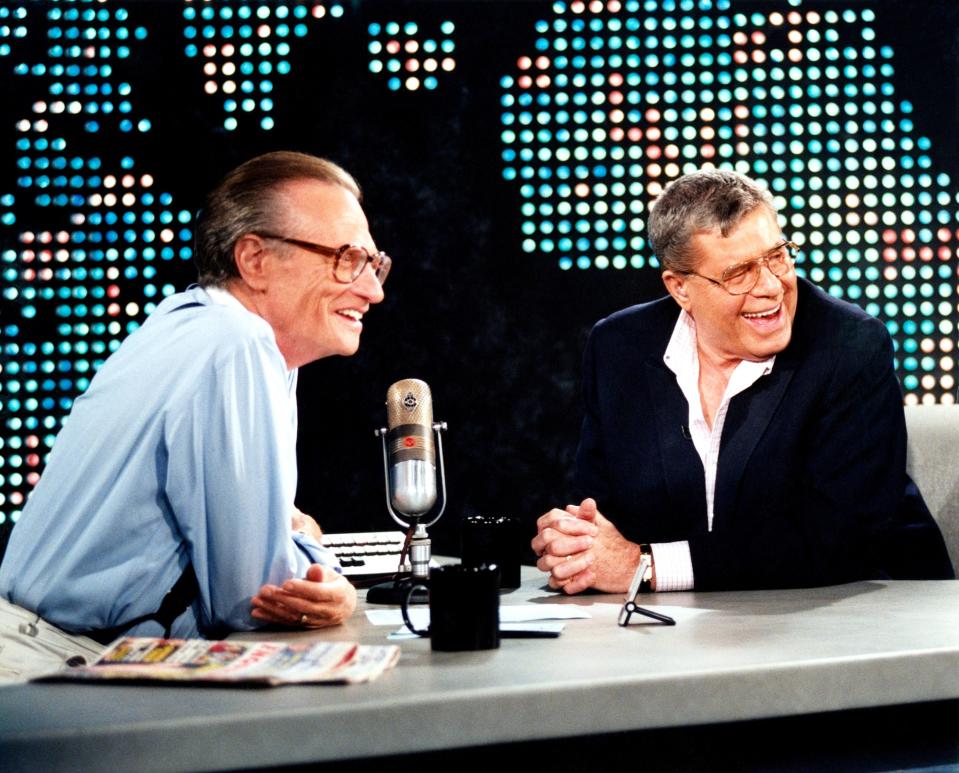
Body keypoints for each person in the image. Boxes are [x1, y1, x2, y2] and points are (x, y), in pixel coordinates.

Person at [0, 151, 390, 681]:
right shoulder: (238, 343)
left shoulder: (197, 325)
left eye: (374, 263)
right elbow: (256, 597)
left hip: (49, 652)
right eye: (347, 259)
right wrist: (322, 564)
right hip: (50, 673)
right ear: (254, 259)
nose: (373, 289)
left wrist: (291, 539)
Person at [532, 169, 954, 595]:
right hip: (690, 623)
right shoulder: (619, 348)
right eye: (739, 273)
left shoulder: (850, 347)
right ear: (679, 287)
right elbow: (603, 509)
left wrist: (648, 566)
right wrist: (580, 546)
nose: (771, 287)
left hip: (866, 613)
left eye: (778, 256)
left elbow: (839, 537)